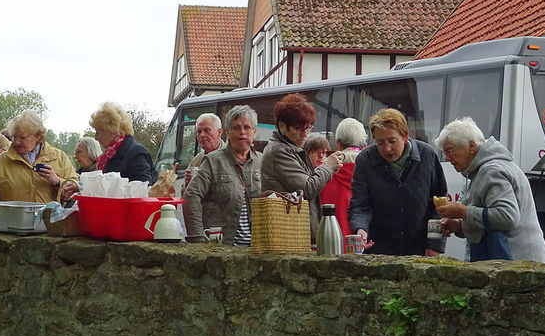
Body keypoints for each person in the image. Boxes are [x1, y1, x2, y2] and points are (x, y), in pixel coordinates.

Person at [435, 117, 545, 263]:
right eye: (445, 153)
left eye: (450, 151)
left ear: (471, 146)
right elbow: (491, 222)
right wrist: (459, 226)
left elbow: (507, 216)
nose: (447, 158)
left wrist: (463, 212)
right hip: (521, 261)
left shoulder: (491, 171)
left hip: (517, 264)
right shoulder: (488, 168)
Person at [348, 108, 446, 256]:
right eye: (380, 143)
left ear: (405, 136)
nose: (387, 149)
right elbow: (359, 205)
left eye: (392, 141)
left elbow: (439, 206)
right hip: (379, 249)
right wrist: (360, 229)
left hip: (419, 248)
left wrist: (434, 244)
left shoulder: (428, 156)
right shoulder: (365, 161)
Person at [260, 93, 342, 242]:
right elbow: (308, 188)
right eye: (298, 128)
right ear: (282, 126)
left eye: (308, 128)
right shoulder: (279, 151)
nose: (305, 134)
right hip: (289, 234)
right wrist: (328, 167)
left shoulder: (290, 148)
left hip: (295, 231)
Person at [183, 105, 263, 246]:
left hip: (258, 248)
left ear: (254, 132)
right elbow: (191, 195)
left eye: (247, 127)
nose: (242, 132)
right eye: (236, 128)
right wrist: (197, 239)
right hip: (223, 248)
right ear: (228, 132)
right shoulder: (213, 161)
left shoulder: (262, 162)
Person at [88, 102, 157, 184]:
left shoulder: (136, 153)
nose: (96, 138)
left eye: (98, 132)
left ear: (111, 130)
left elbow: (142, 188)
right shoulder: (109, 155)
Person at [182, 113, 224, 191]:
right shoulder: (196, 161)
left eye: (207, 130)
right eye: (199, 132)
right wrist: (188, 184)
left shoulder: (233, 156)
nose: (202, 135)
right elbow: (185, 195)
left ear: (219, 132)